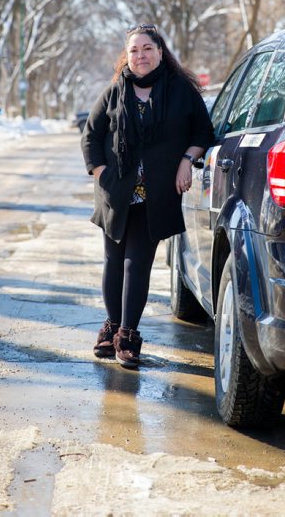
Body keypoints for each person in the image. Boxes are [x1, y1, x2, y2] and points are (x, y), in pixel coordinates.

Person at [81, 24, 215, 369]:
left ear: (160, 51)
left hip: (156, 194)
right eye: (133, 51)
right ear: (127, 57)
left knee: (135, 263)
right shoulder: (114, 92)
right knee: (113, 261)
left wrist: (187, 161)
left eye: (146, 49)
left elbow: (203, 132)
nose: (140, 56)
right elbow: (91, 136)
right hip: (116, 192)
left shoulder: (181, 91)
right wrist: (101, 174)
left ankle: (127, 335)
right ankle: (111, 328)